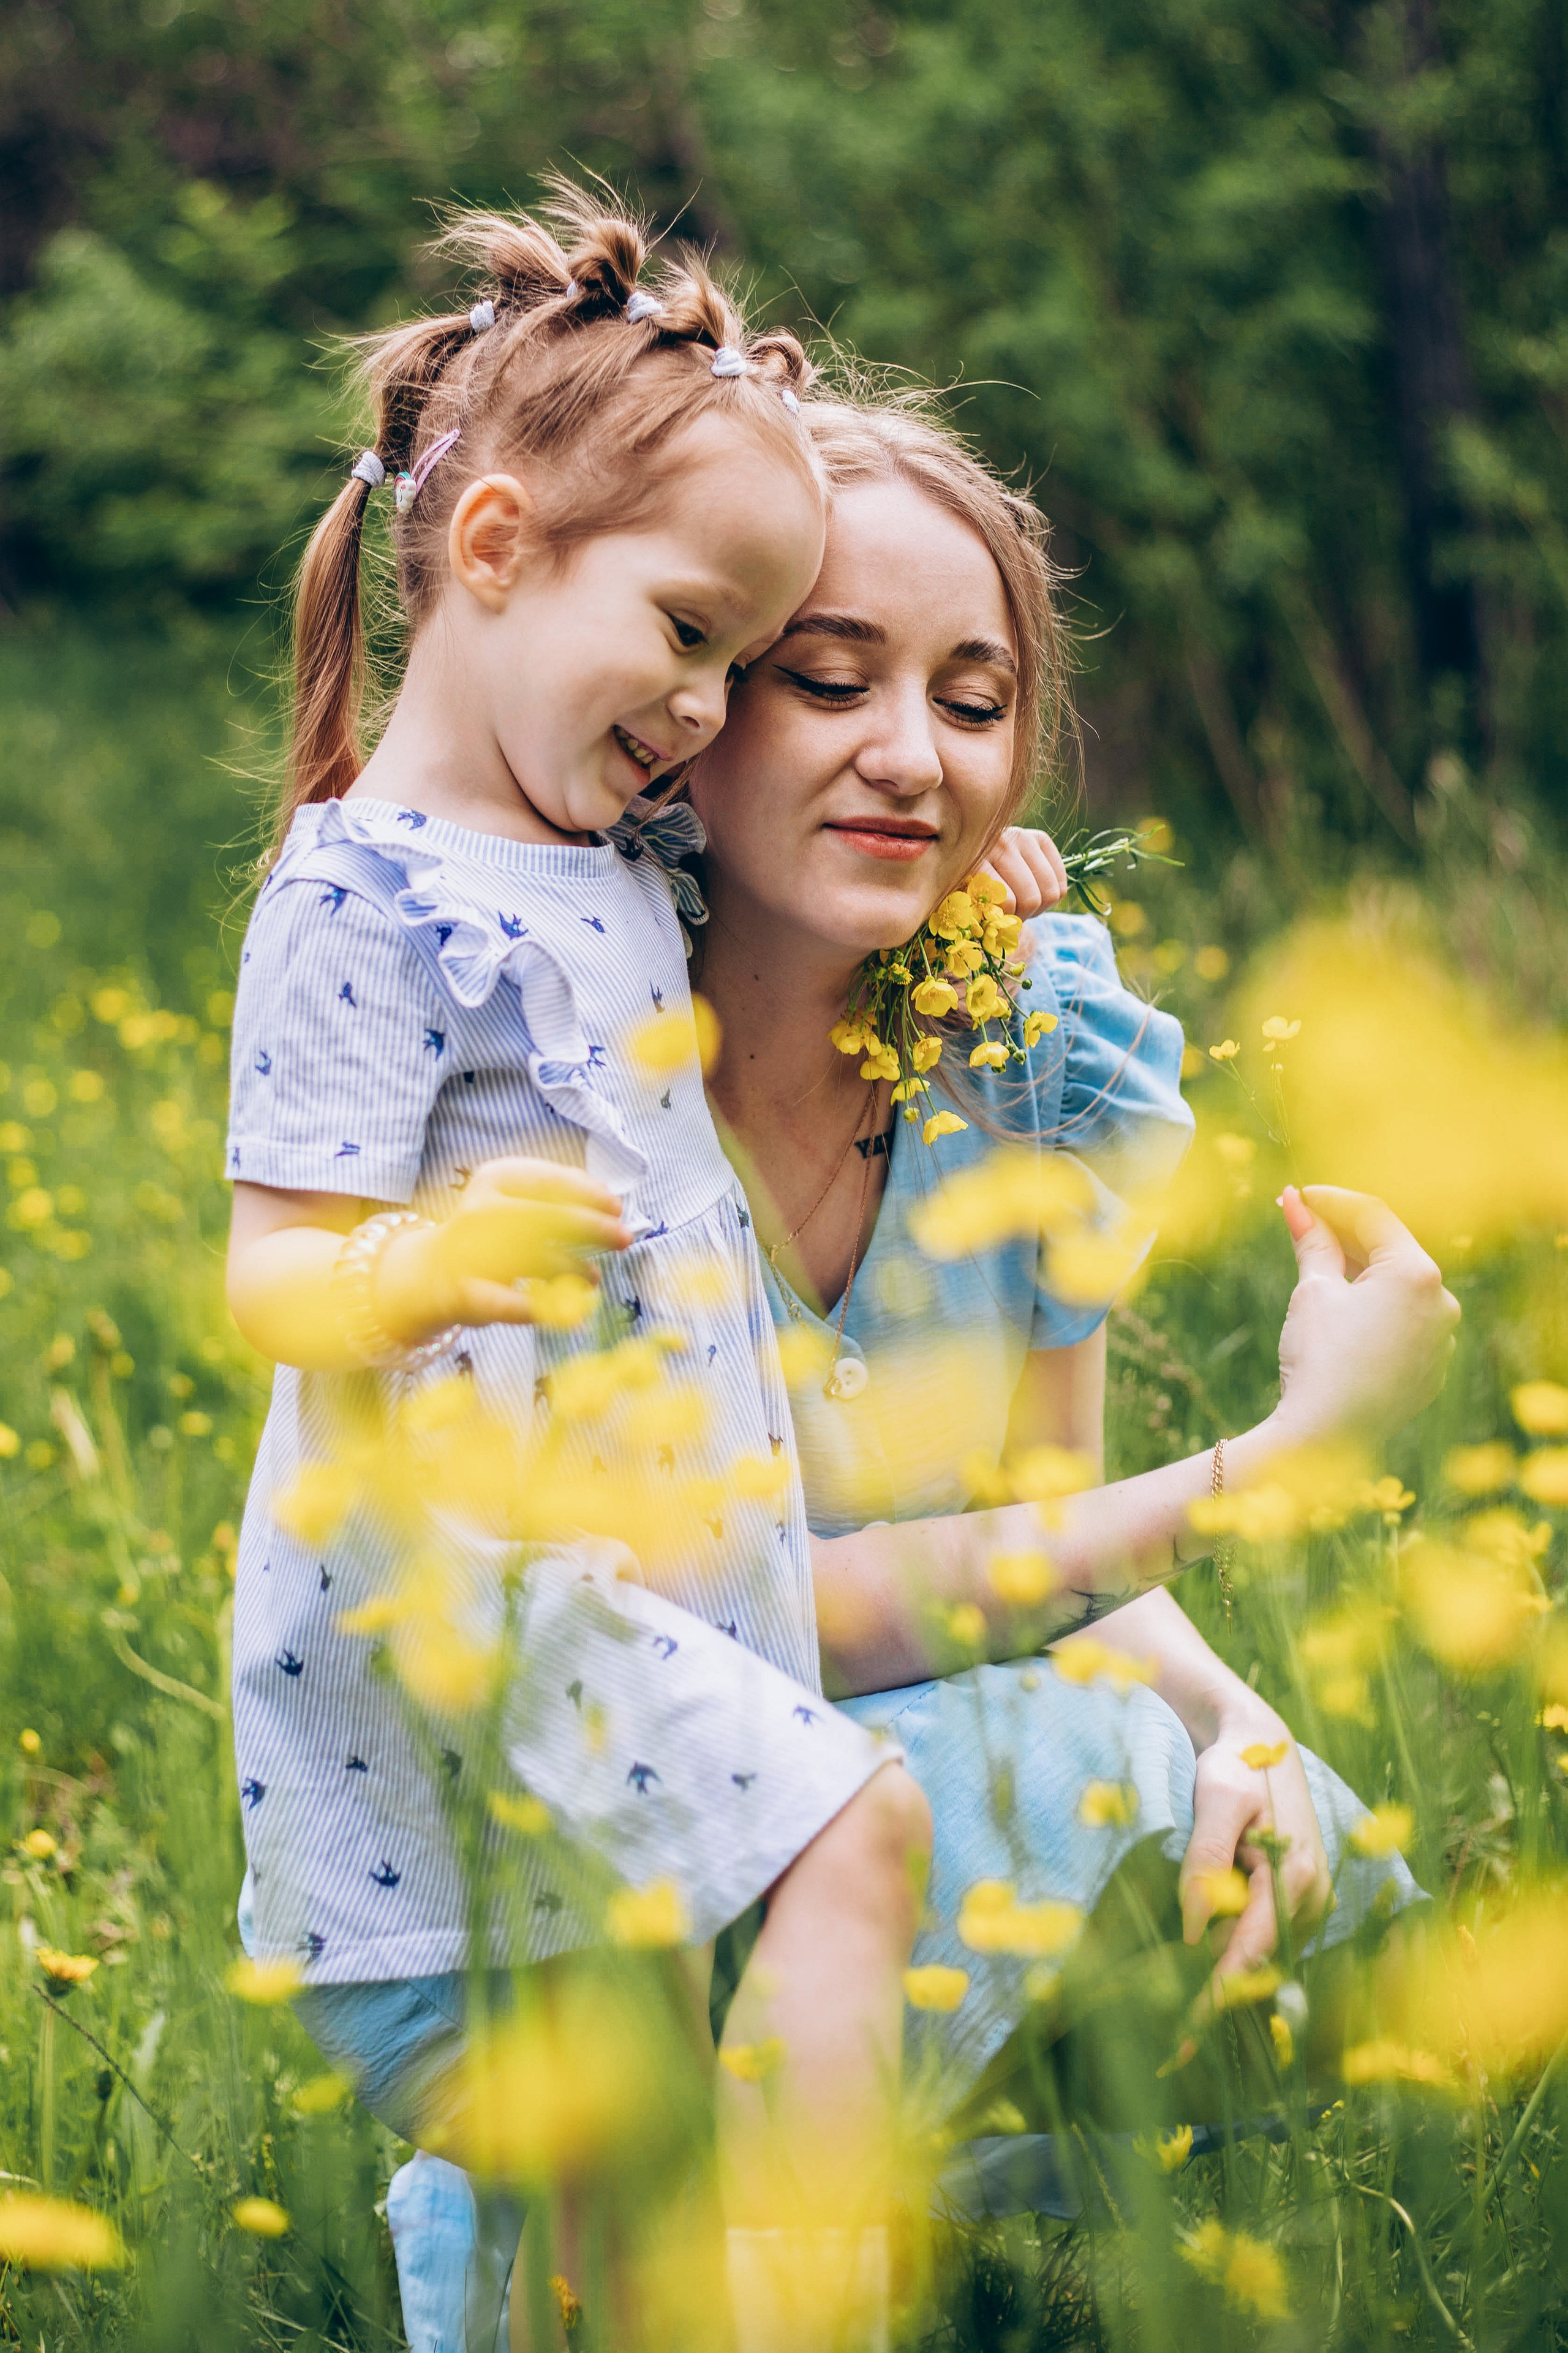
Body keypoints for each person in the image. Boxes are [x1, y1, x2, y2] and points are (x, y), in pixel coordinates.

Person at [382, 390, 1458, 2333]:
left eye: (971, 702)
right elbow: (756, 1626)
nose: (911, 757)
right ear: (687, 710)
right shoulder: (552, 1083)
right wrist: (1280, 1458)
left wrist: (1243, 1733)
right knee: (1028, 1765)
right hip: (637, 1824)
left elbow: (1044, 1527)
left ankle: (951, 2238)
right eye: (829, 678)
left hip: (900, 1766)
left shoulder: (1029, 1051)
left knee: (1254, 1822)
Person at [222, 189, 963, 2353]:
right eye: (691, 630)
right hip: (478, 1606)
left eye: (747, 653)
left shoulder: (615, 848)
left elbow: (792, 884)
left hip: (632, 1593)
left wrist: (979, 873)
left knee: (609, 2240)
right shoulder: (364, 893)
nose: (709, 704)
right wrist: (428, 1263)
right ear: (495, 549)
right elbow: (276, 1279)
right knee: (862, 1826)